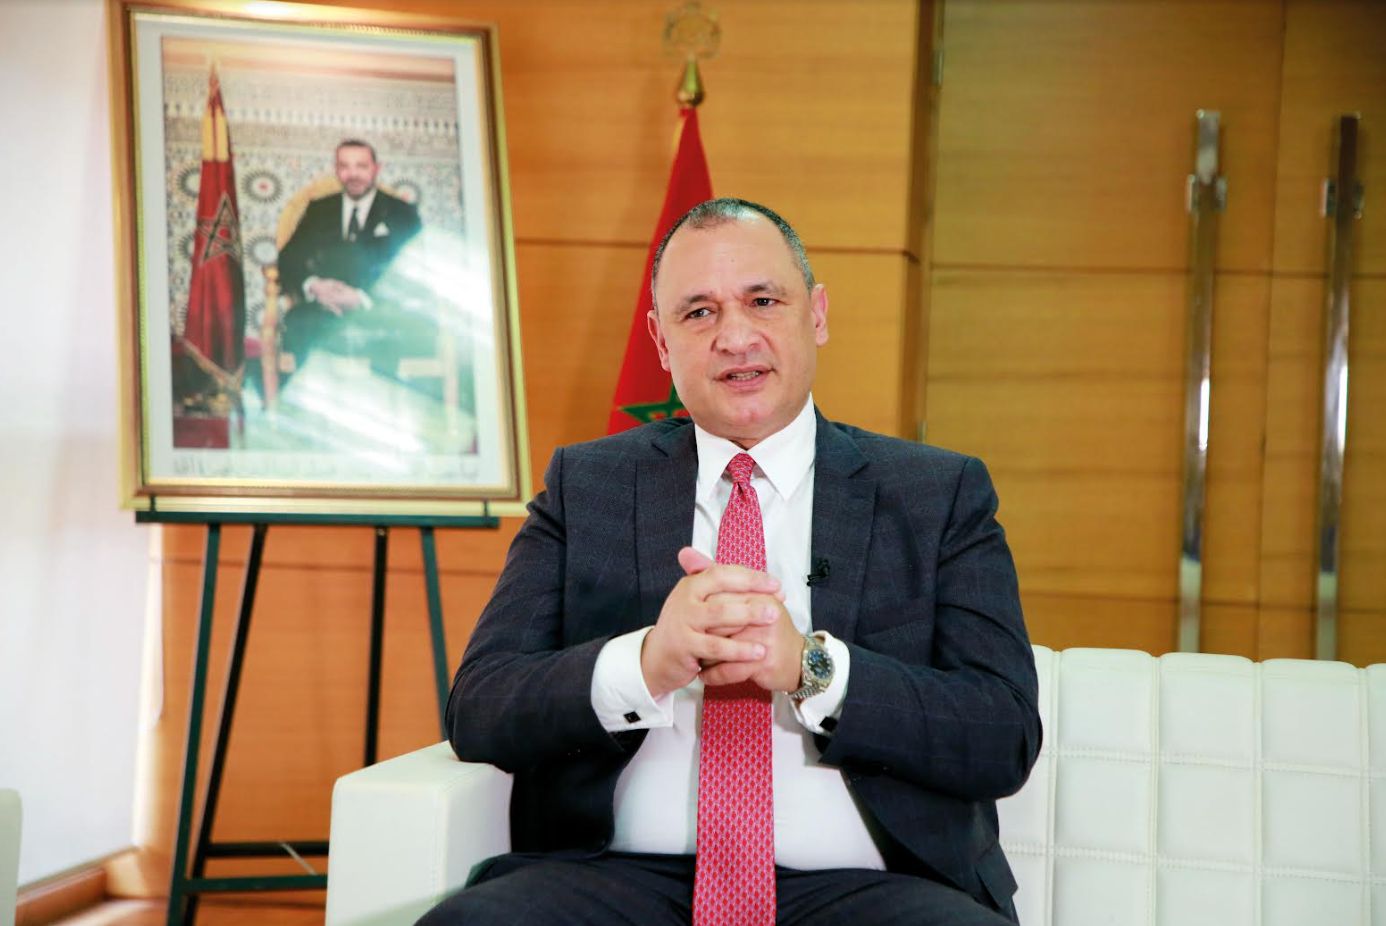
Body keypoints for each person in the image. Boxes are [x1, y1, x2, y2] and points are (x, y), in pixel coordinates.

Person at [421, 198, 1041, 925]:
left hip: (872, 890)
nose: (736, 337)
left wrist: (813, 669)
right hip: (617, 882)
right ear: (661, 342)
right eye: (699, 313)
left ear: (817, 315)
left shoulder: (937, 493)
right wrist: (646, 663)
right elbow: (480, 707)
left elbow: (1003, 733)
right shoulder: (586, 486)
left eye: (763, 301)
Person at [275, 138, 425, 380]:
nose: (353, 174)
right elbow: (288, 258)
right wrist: (314, 285)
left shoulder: (402, 213)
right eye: (344, 166)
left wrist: (361, 299)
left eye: (361, 166)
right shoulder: (319, 209)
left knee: (388, 338)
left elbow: (414, 271)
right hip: (321, 309)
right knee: (299, 324)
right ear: (336, 170)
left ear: (376, 168)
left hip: (378, 312)